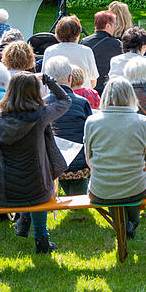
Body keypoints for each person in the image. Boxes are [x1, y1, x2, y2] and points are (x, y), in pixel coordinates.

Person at [0, 72, 70, 252]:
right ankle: (41, 239)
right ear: (35, 92)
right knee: (38, 185)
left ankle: (24, 220)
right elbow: (65, 101)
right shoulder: (41, 115)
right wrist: (49, 80)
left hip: (6, 193)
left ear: (9, 91)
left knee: (32, 182)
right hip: (38, 190)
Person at [84, 78, 146, 239]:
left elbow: (90, 161)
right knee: (131, 191)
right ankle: (131, 224)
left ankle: (122, 224)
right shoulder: (143, 122)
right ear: (131, 95)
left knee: (114, 193)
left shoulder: (92, 122)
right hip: (136, 188)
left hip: (101, 190)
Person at [42, 56, 93, 195]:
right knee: (77, 193)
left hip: (52, 164)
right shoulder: (82, 103)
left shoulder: (42, 104)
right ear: (70, 78)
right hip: (80, 164)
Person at [43, 15, 98, 88]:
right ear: (78, 33)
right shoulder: (86, 51)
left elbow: (44, 78)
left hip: (56, 94)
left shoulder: (49, 51)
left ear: (57, 33)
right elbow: (93, 81)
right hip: (82, 94)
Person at [80, 10, 122, 94]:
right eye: (115, 24)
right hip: (108, 88)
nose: (116, 27)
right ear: (108, 26)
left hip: (89, 88)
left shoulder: (84, 42)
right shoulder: (117, 44)